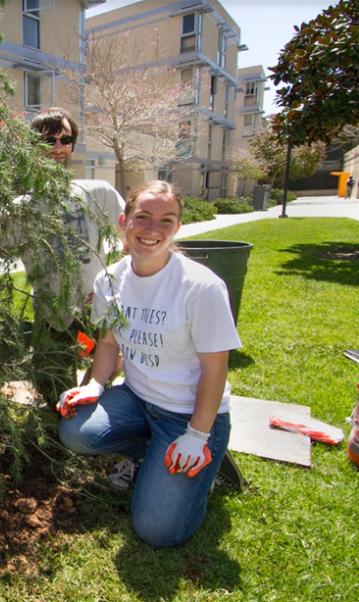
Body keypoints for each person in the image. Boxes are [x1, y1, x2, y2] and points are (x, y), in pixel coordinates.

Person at [57, 180, 242, 548]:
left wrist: (196, 436)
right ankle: (155, 454)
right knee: (75, 430)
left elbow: (215, 369)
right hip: (138, 400)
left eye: (166, 220)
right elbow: (108, 343)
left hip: (190, 416)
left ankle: (205, 458)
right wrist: (94, 385)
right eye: (143, 217)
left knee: (157, 531)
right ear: (123, 221)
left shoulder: (200, 287)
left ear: (178, 228)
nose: (153, 229)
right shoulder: (110, 279)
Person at [0, 107, 125, 403]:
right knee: (50, 385)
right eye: (49, 140)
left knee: (116, 358)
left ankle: (86, 399)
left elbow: (133, 240)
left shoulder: (99, 193)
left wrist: (115, 283)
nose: (58, 147)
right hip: (52, 312)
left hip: (96, 304)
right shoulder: (20, 207)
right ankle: (66, 410)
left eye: (66, 139)